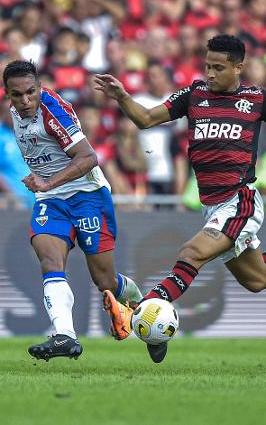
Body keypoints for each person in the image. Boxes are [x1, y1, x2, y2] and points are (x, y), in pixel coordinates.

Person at [95, 34, 266, 363]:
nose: (211, 73)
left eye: (219, 67)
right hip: (212, 207)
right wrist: (121, 96)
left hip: (239, 201)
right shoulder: (195, 95)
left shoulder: (256, 100)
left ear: (238, 68)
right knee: (257, 281)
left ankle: (137, 315)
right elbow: (145, 119)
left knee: (191, 253)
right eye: (207, 66)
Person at [3, 60, 143, 361]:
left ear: (40, 88)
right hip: (51, 200)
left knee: (105, 281)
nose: (25, 101)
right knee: (49, 260)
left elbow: (89, 157)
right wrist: (44, 184)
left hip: (88, 196)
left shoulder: (52, 111)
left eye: (31, 92)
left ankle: (145, 311)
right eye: (17, 95)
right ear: (7, 95)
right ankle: (65, 335)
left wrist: (46, 181)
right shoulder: (15, 113)